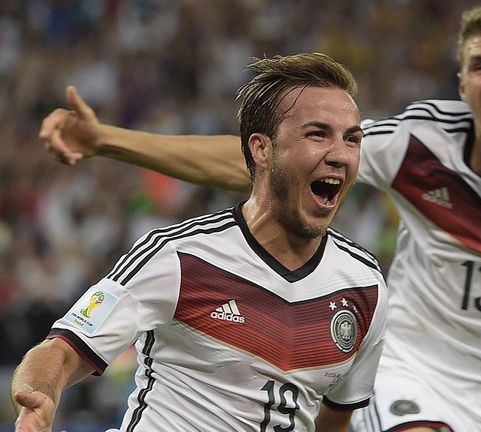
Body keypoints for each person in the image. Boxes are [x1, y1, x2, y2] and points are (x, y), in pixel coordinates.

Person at [37, 1, 481, 431]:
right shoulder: (420, 144)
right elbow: (264, 163)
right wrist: (110, 141)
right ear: (463, 82)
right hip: (410, 363)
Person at [13, 52, 389, 432]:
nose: (340, 154)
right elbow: (61, 350)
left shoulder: (365, 288)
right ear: (262, 149)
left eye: (352, 139)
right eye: (318, 134)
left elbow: (335, 421)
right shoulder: (178, 257)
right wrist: (40, 395)